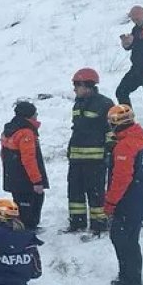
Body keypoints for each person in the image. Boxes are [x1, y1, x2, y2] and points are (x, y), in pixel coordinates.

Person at [104, 104, 143, 285]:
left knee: (125, 242)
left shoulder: (125, 146)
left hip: (128, 202)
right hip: (141, 199)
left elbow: (121, 179)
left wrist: (110, 202)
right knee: (128, 241)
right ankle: (127, 278)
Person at [64, 68, 115, 235]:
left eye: (76, 85)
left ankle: (98, 225)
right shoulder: (78, 103)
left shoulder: (105, 104)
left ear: (87, 86)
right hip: (76, 159)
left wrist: (109, 150)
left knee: (96, 194)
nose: (74, 89)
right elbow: (77, 129)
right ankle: (77, 223)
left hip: (95, 160)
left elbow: (111, 130)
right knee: (75, 193)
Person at [0, 101, 49, 231]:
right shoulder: (26, 132)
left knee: (19, 203)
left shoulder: (9, 130)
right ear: (29, 115)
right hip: (25, 179)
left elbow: (4, 154)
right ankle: (28, 228)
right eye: (35, 113)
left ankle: (21, 226)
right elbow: (29, 159)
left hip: (13, 176)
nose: (36, 116)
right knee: (33, 200)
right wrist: (37, 181)